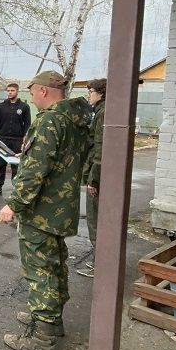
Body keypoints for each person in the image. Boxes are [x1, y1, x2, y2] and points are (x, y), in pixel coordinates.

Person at [0, 70, 92, 350]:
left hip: (42, 209)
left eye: (32, 93)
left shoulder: (49, 120)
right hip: (61, 207)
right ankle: (51, 321)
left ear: (44, 91)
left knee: (40, 269)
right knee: (55, 264)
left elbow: (36, 171)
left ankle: (42, 337)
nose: (31, 98)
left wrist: (14, 204)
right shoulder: (75, 120)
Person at [78, 78, 106, 277]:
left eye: (91, 91)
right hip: (97, 173)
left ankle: (101, 266)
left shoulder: (103, 113)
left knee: (95, 221)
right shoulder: (100, 112)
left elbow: (99, 148)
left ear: (101, 93)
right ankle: (99, 261)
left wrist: (93, 179)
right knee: (95, 220)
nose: (89, 95)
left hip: (98, 175)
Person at [0, 83, 31, 196]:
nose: (10, 92)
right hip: (2, 139)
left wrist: (25, 139)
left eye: (12, 90)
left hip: (17, 140)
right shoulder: (0, 106)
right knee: (0, 164)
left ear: (17, 91)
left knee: (16, 166)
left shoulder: (24, 107)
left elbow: (27, 124)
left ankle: (16, 189)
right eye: (8, 91)